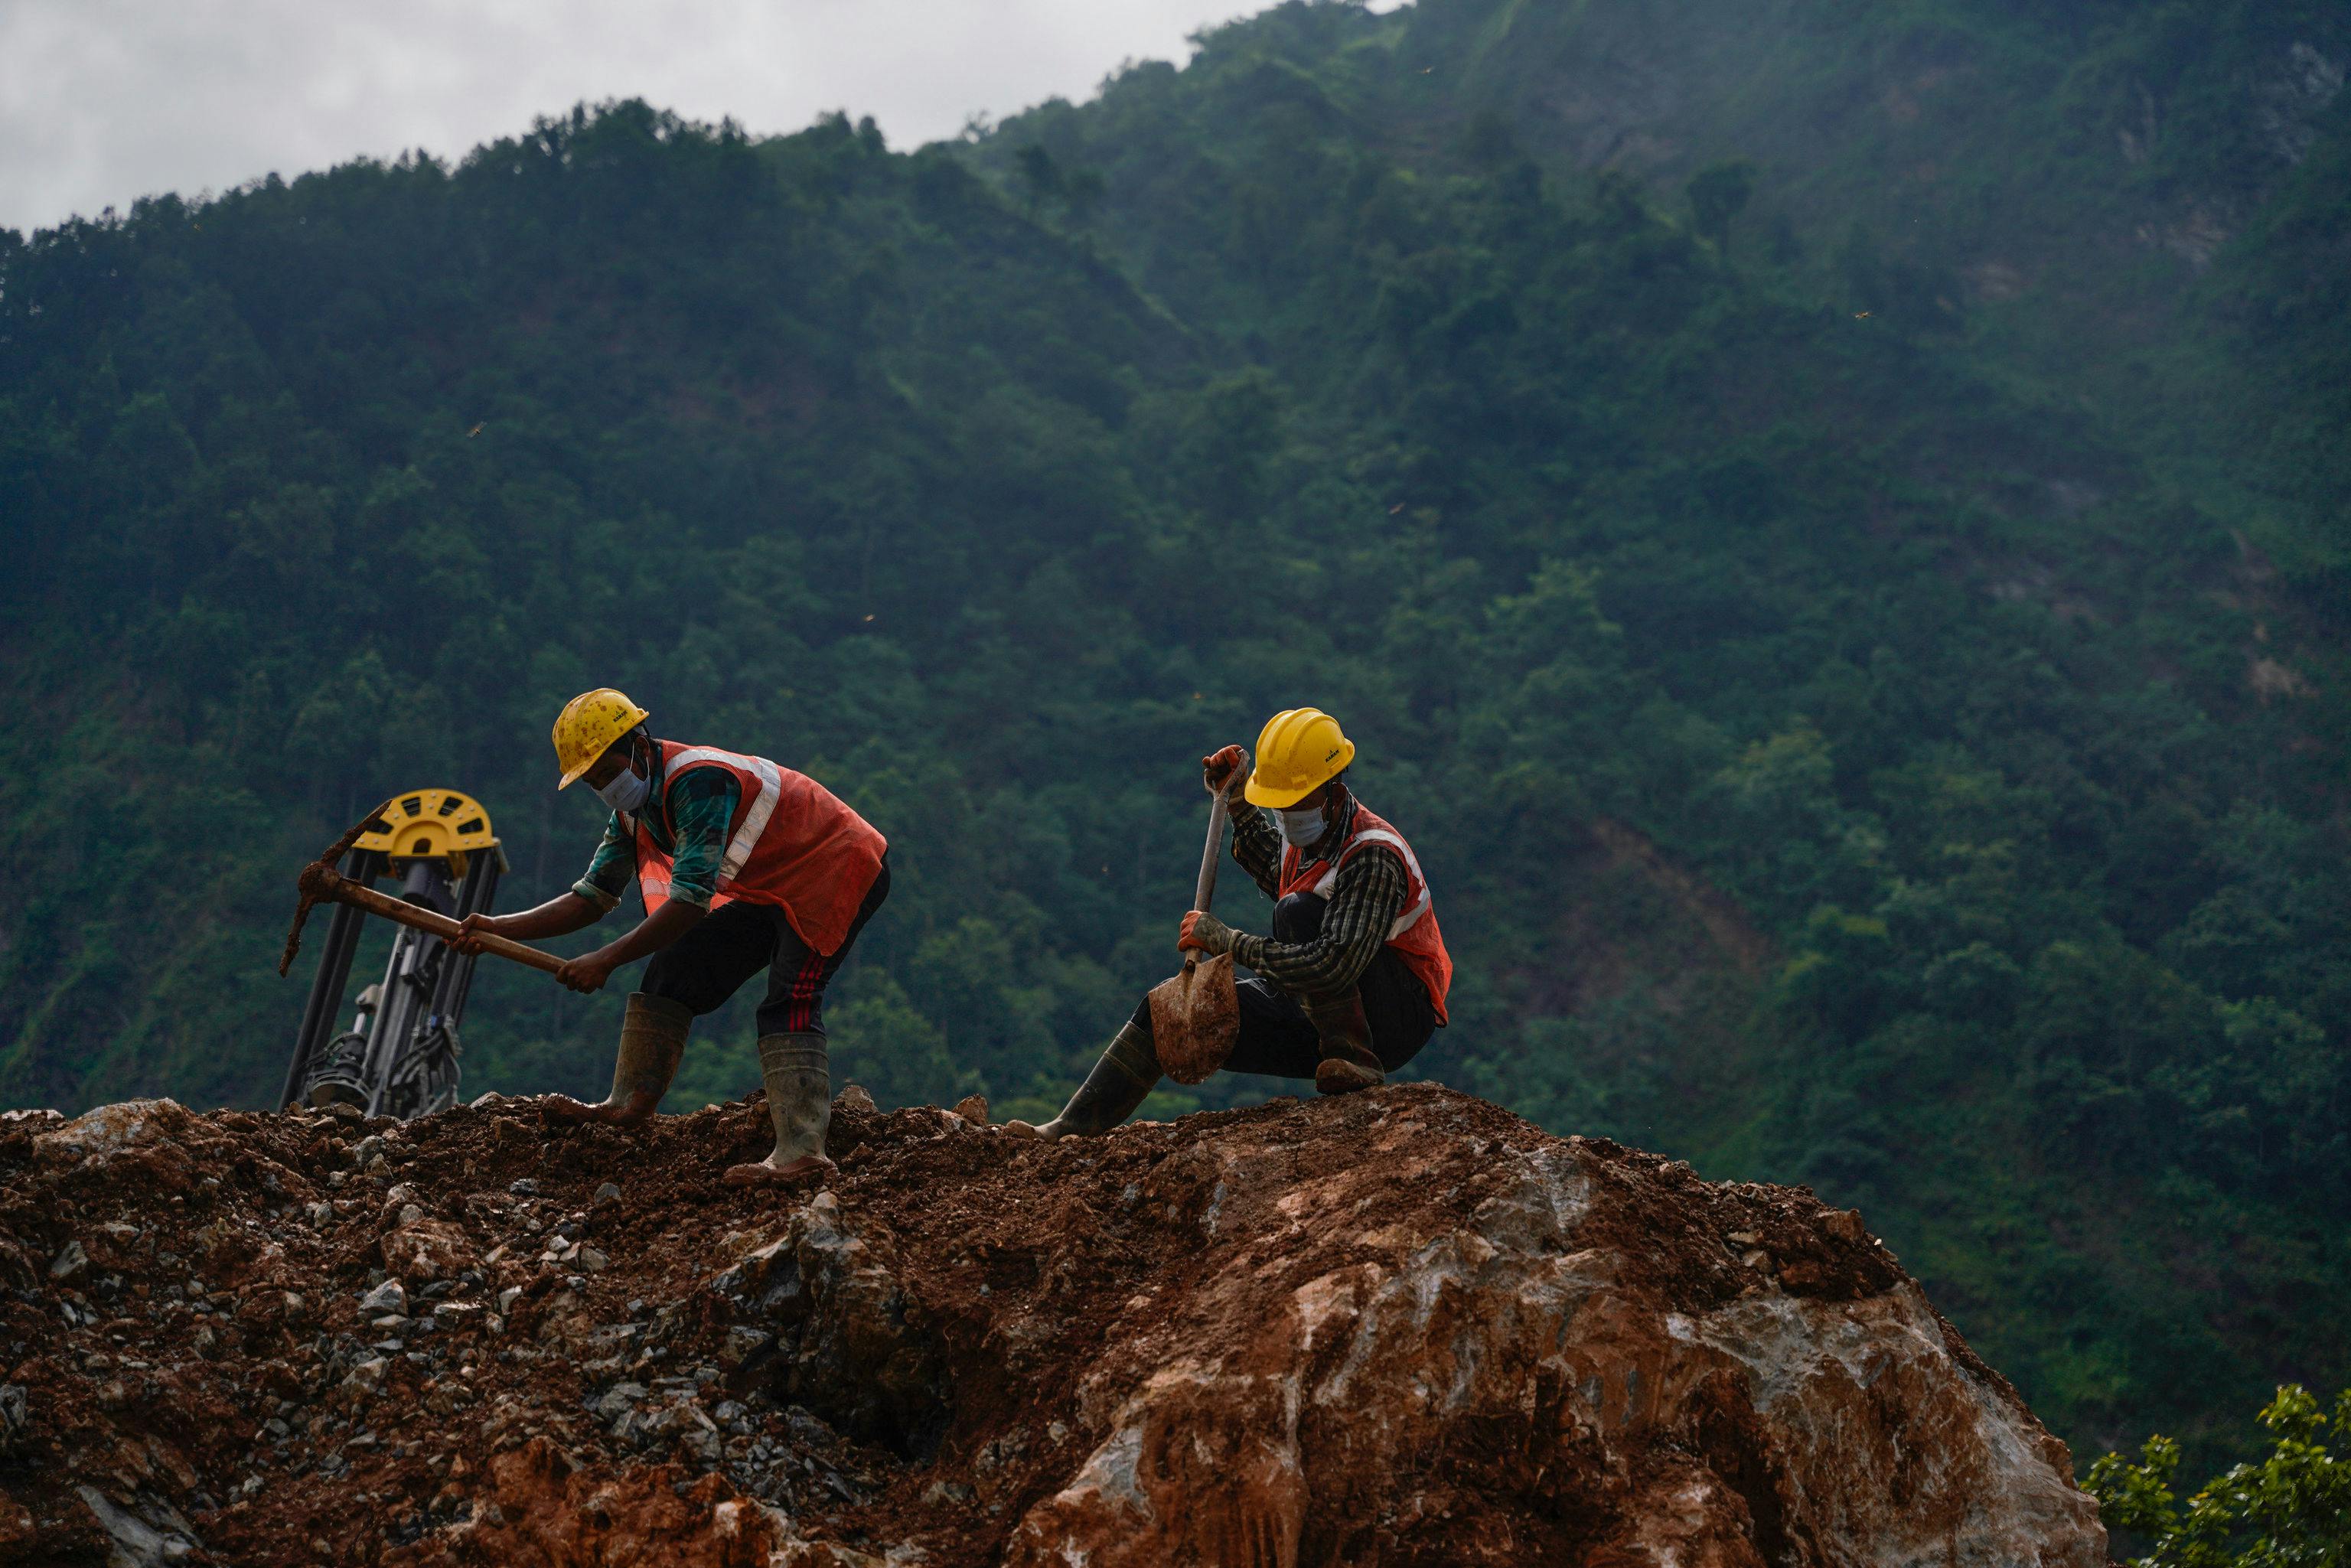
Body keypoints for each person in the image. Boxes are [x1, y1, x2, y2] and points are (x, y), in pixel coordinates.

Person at [447, 688, 888, 1188]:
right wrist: (494, 927)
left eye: (607, 772)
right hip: (772, 884)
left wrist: (606, 960)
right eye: (593, 782)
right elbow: (592, 897)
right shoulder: (634, 814)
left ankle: (802, 1150)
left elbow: (689, 903)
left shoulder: (698, 781)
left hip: (836, 867)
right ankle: (627, 1101)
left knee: (790, 998)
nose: (605, 787)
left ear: (637, 744)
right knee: (672, 969)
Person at [1008, 707, 1450, 1141]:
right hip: (1318, 1003)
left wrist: (1228, 942)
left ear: (1333, 788)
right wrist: (1235, 799)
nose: (1288, 811)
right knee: (1171, 1013)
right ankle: (1072, 1127)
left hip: (1394, 1017)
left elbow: (1333, 966)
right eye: (1279, 802)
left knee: (1295, 912)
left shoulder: (1372, 854)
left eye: (1297, 799)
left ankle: (1354, 1060)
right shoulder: (1310, 839)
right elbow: (1272, 868)